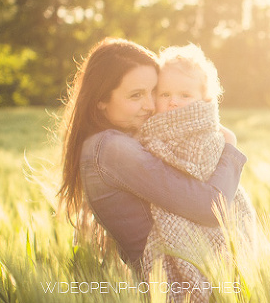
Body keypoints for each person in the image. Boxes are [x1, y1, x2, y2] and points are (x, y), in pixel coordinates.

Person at [57, 38, 247, 275]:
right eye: (136, 96)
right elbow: (211, 208)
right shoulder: (112, 149)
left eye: (153, 93)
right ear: (101, 101)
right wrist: (229, 147)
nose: (150, 105)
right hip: (171, 288)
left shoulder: (128, 140)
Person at [137, 43, 256, 303]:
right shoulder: (147, 133)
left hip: (214, 217)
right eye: (164, 94)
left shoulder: (210, 137)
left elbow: (206, 179)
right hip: (182, 210)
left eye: (184, 95)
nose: (173, 102)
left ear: (205, 99)